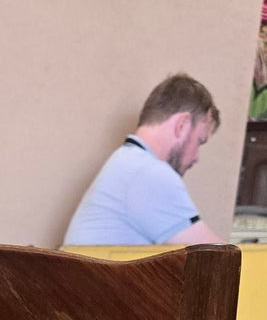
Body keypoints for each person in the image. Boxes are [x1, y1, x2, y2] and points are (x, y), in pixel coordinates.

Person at [63, 74, 222, 247]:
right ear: (182, 124)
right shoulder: (148, 173)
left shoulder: (127, 162)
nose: (196, 158)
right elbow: (219, 260)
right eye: (199, 141)